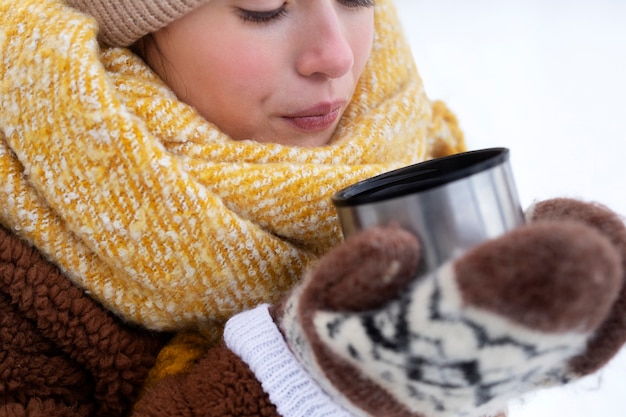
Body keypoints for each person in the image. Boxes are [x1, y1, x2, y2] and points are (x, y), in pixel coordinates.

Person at [0, 0, 624, 416]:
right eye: (265, 7)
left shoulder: (405, 137)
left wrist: (525, 325)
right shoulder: (20, 254)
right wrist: (304, 379)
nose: (336, 57)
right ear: (134, 31)